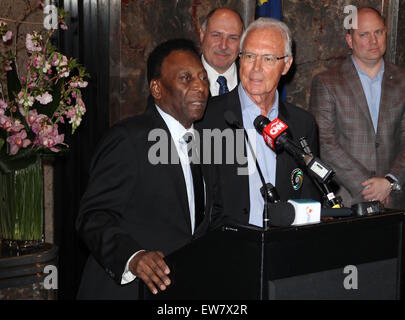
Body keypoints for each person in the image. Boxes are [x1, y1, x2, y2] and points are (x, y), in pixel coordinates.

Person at [76, 39, 212, 299]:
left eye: (203, 78)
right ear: (157, 88)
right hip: (127, 291)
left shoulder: (208, 142)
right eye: (186, 78)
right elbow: (93, 216)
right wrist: (133, 257)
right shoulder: (129, 139)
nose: (200, 86)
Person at [197, 18, 321, 227]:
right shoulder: (208, 117)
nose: (256, 68)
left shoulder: (302, 123)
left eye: (268, 59)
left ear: (286, 65)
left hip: (281, 248)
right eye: (249, 56)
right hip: (223, 247)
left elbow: (308, 195)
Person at [309, 7, 405, 209]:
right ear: (350, 40)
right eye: (364, 34)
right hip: (347, 200)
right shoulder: (327, 82)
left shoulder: (402, 81)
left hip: (394, 200)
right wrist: (370, 188)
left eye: (378, 32)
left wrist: (389, 181)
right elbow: (325, 143)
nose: (373, 41)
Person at [199, 7, 244, 96]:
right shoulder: (181, 80)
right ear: (202, 35)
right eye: (216, 35)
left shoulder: (254, 80)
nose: (223, 46)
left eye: (233, 38)